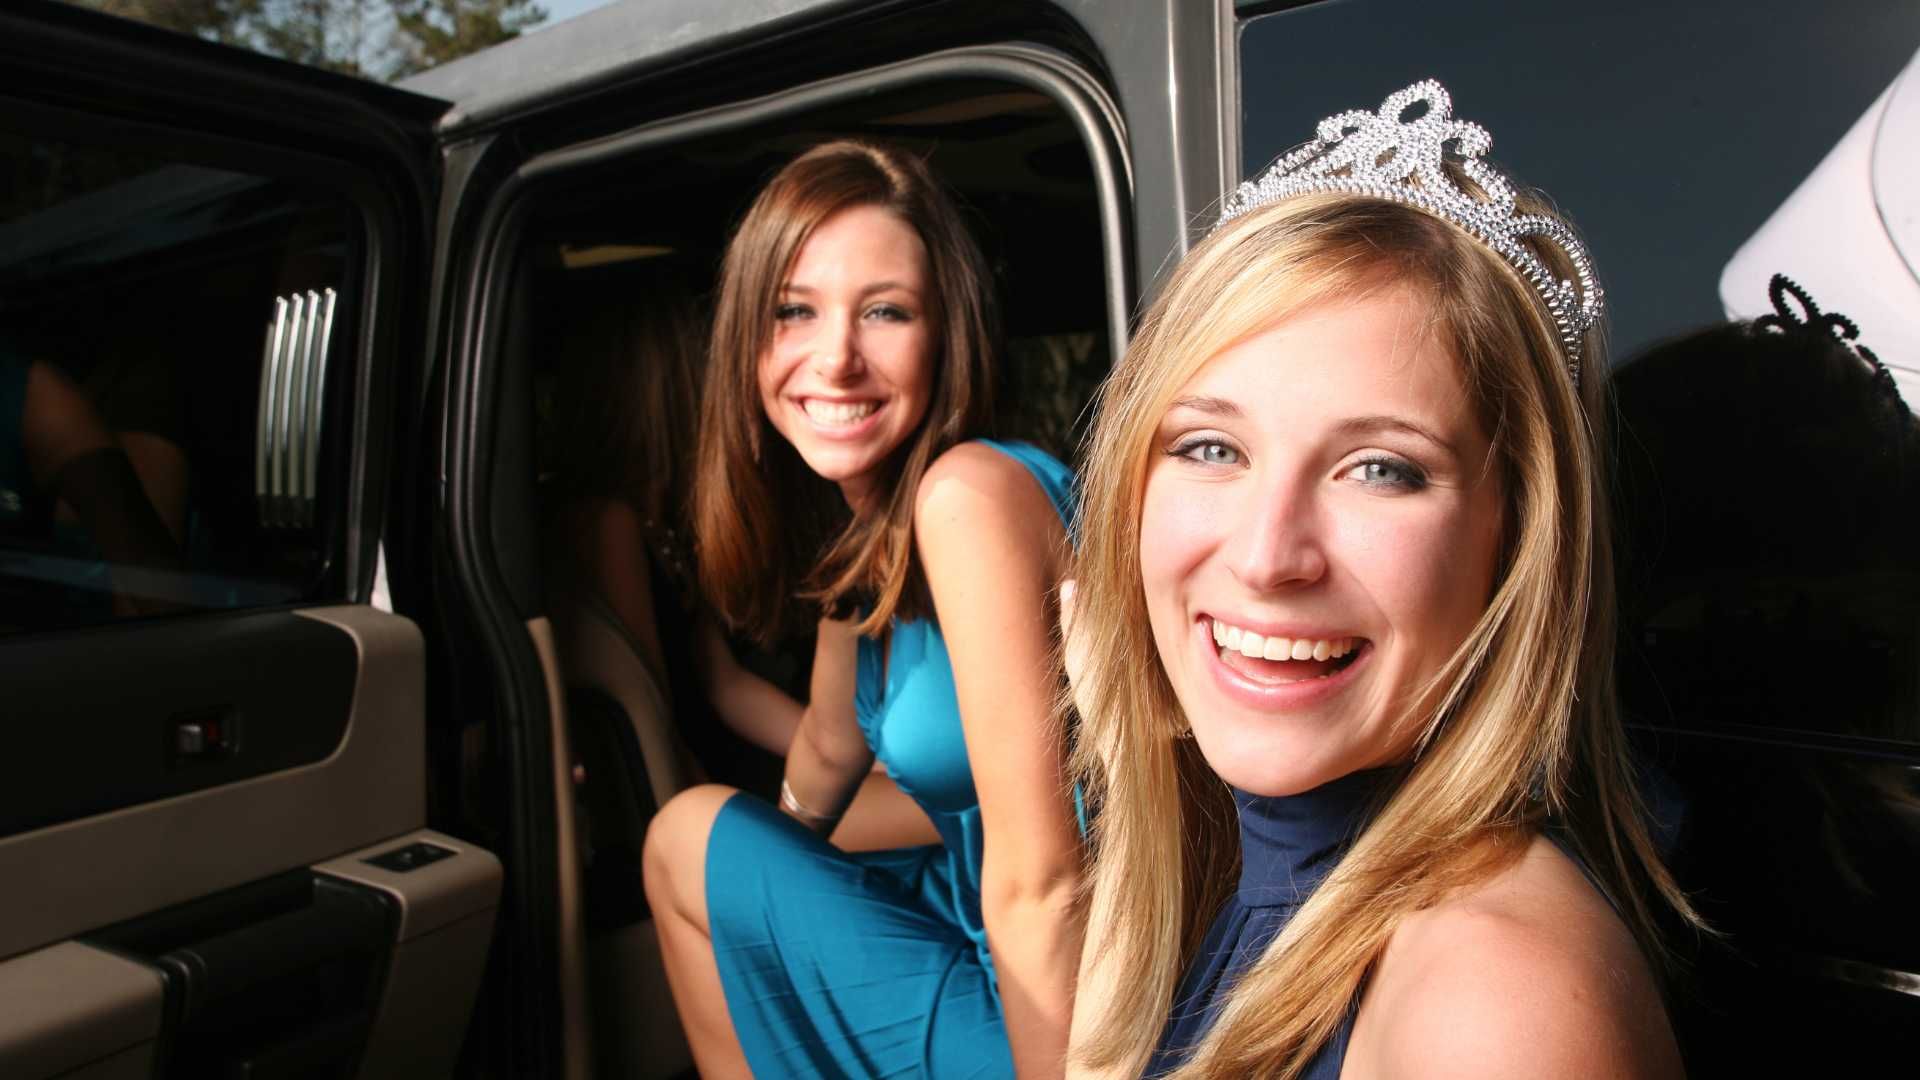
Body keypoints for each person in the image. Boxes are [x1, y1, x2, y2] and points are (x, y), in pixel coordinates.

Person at [1061, 81, 1698, 1078]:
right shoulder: (1258, 871)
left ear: (1518, 538)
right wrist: (1125, 749)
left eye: (1381, 470)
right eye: (1211, 448)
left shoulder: (1495, 1005)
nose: (1267, 556)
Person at [642, 139, 1083, 1078]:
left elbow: (1047, 882)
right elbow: (830, 748)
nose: (835, 359)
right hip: (988, 937)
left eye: (885, 312)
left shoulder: (968, 496)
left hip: (1082, 1001)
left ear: (946, 334)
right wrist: (778, 867)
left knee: (683, 839)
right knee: (705, 846)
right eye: (793, 311)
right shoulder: (874, 538)